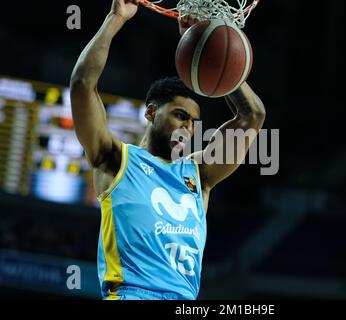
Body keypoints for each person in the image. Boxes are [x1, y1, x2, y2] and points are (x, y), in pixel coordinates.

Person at [70, 0, 265, 300]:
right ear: (150, 113)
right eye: (180, 116)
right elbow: (83, 84)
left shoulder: (198, 174)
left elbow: (252, 115)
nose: (188, 128)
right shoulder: (116, 160)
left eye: (194, 122)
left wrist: (204, 43)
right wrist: (115, 18)